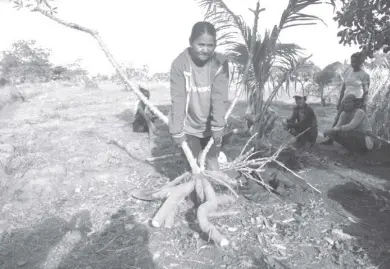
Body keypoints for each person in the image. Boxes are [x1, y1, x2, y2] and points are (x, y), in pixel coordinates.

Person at [168, 21, 229, 171]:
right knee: (191, 167)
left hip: (212, 125)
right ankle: (191, 194)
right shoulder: (180, 64)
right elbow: (178, 99)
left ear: (215, 45)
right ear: (191, 42)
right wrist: (177, 129)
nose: (205, 50)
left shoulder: (220, 63)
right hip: (189, 126)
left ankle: (216, 190)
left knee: (213, 165)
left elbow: (219, 98)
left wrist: (218, 126)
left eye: (210, 46)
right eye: (200, 44)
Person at [322, 52, 370, 145]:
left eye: (355, 62)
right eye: (352, 62)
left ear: (360, 62)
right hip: (346, 100)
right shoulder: (348, 71)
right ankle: (330, 139)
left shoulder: (364, 75)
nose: (353, 64)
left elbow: (366, 92)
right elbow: (344, 87)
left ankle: (355, 144)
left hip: (357, 101)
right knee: (338, 118)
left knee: (354, 122)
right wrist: (340, 101)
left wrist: (364, 104)